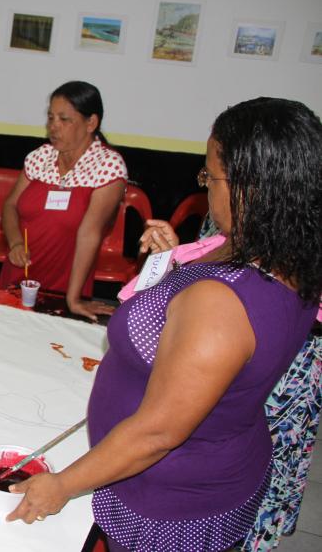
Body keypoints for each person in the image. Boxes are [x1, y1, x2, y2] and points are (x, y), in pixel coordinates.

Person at [6, 97, 322, 552]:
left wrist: (62, 486)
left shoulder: (222, 304)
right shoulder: (281, 253)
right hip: (214, 466)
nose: (205, 188)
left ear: (250, 188)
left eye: (209, 176)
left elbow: (157, 433)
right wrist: (170, 267)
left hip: (168, 502)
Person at [135, 217, 322, 552]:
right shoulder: (231, 210)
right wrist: (180, 259)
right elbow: (218, 265)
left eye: (212, 176)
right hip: (221, 344)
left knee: (248, 459)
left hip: (278, 360)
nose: (206, 186)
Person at [0, 81, 126, 321]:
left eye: (64, 120)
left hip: (66, 283)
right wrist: (15, 243)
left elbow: (91, 232)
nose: (53, 127)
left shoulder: (107, 166)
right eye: (50, 118)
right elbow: (10, 205)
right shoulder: (40, 156)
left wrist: (73, 298)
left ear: (91, 123)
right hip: (20, 274)